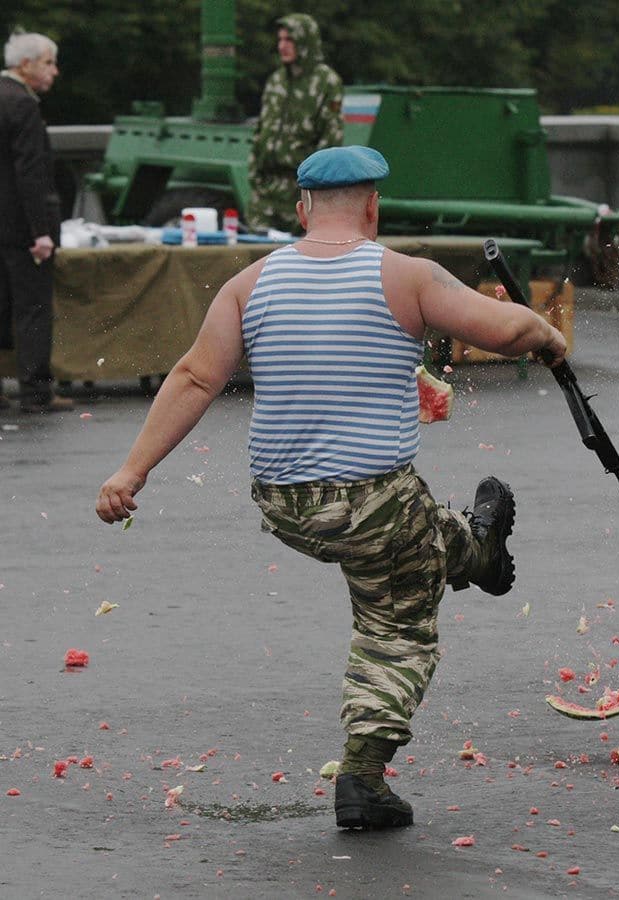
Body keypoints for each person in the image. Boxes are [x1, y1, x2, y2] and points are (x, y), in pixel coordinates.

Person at [96, 145, 566, 830]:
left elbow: (196, 378)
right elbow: (507, 330)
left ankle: (475, 549)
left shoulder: (248, 284)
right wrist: (547, 335)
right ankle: (363, 780)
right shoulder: (405, 275)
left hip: (284, 503)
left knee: (407, 537)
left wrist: (129, 472)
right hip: (373, 496)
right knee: (395, 622)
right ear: (373, 207)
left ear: (300, 210)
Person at [0, 30, 72, 413]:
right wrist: (40, 231)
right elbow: (30, 174)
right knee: (32, 308)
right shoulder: (23, 106)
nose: (54, 71)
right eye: (49, 62)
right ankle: (35, 390)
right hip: (23, 229)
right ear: (26, 65)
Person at [247, 13, 343, 234]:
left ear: (305, 42)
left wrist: (312, 188)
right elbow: (261, 130)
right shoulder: (276, 80)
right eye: (280, 40)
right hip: (266, 193)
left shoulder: (326, 82)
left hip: (299, 193)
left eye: (289, 40)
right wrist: (254, 172)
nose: (282, 46)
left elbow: (331, 140)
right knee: (257, 258)